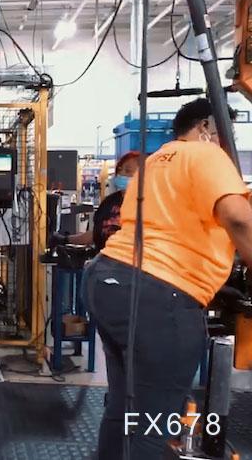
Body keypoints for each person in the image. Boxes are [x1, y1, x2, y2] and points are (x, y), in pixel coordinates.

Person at [83, 97, 252, 459]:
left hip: (108, 277)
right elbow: (239, 218)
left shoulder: (154, 163)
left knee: (125, 408)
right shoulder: (206, 154)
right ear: (205, 127)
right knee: (154, 423)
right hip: (159, 294)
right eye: (228, 132)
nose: (229, 141)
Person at [59, 151, 141, 251]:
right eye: (120, 169)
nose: (121, 174)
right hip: (104, 257)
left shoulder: (146, 205)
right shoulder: (109, 201)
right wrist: (65, 239)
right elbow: (96, 233)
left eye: (128, 171)